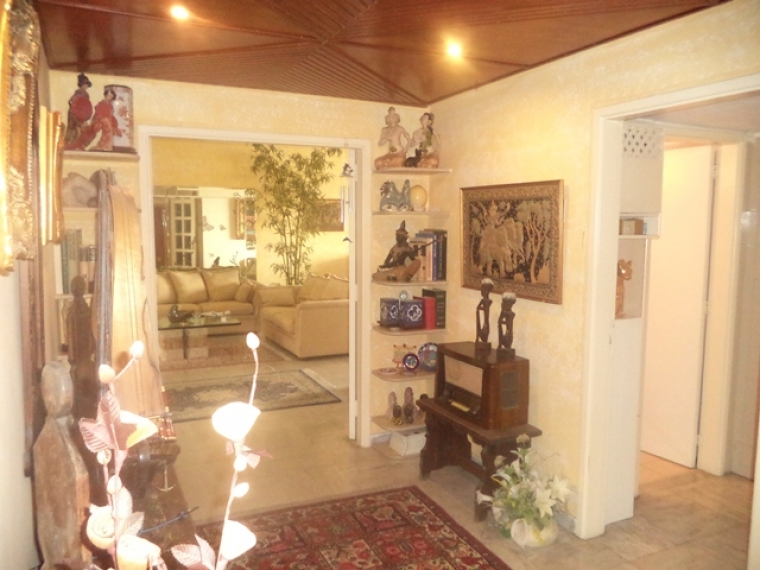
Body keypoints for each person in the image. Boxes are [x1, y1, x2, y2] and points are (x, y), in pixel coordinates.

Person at [63, 73, 94, 150]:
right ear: (82, 84)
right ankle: (74, 145)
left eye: (87, 84)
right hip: (77, 114)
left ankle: (76, 145)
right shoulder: (81, 92)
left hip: (79, 113)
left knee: (79, 130)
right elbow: (71, 101)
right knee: (77, 129)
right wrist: (77, 111)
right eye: (85, 84)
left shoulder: (83, 93)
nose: (86, 86)